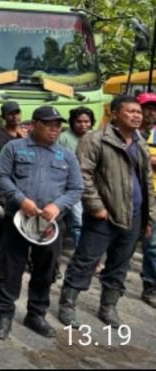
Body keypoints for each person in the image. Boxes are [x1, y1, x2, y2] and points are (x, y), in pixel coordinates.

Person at [59, 95, 155, 329]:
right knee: (85, 260)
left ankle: (108, 307)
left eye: (138, 112)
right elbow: (83, 175)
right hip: (104, 215)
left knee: (120, 264)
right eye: (130, 111)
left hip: (134, 216)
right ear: (114, 113)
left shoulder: (140, 142)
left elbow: (147, 181)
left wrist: (148, 216)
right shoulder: (96, 139)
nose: (136, 115)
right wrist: (96, 207)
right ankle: (67, 305)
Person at [0, 106, 83, 340]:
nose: (54, 129)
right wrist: (21, 200)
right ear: (34, 124)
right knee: (10, 268)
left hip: (50, 226)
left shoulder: (66, 155)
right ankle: (4, 315)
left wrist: (58, 205)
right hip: (18, 220)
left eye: (57, 125)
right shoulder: (14, 148)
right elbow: (0, 177)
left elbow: (76, 188)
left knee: (46, 270)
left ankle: (36, 314)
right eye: (49, 124)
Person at [58, 106, 95, 248]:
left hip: (93, 185)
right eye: (79, 121)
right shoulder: (64, 138)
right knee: (78, 221)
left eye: (87, 121)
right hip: (73, 186)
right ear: (72, 122)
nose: (83, 125)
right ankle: (82, 254)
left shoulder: (95, 136)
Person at [137, 92, 156, 307]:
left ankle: (150, 284)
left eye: (154, 109)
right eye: (147, 108)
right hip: (130, 194)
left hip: (153, 195)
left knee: (152, 245)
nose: (151, 112)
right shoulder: (126, 133)